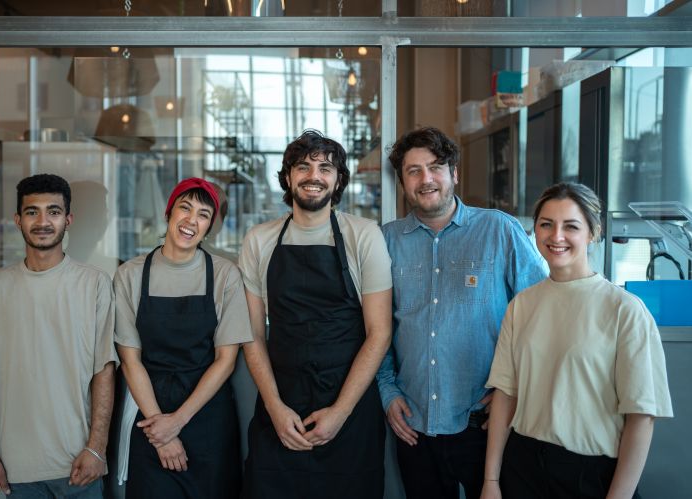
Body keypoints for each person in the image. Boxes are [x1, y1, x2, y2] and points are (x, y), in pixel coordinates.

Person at [377, 127, 546, 499]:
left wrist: (512, 384)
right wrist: (387, 391)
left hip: (484, 421)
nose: (426, 179)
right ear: (403, 181)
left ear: (454, 174)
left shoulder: (499, 230)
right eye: (414, 171)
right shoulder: (385, 240)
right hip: (412, 422)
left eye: (435, 167)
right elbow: (376, 327)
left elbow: (542, 314)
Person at [481, 182, 673, 499]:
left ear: (592, 233)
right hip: (523, 467)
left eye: (571, 226)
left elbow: (641, 418)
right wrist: (491, 481)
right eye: (546, 224)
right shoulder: (522, 305)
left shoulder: (624, 310)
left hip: (591, 475)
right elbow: (505, 394)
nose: (556, 236)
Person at [240, 130, 392, 499]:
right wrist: (275, 409)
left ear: (338, 180)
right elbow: (253, 334)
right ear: (288, 176)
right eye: (303, 166)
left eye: (325, 168)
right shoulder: (259, 240)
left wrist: (340, 412)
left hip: (350, 407)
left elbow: (380, 332)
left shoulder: (364, 236)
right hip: (282, 405)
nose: (314, 176)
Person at [0, 173, 117, 498]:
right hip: (14, 469)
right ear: (18, 220)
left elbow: (104, 371)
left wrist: (97, 449)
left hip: (78, 465)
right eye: (32, 212)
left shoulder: (94, 284)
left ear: (68, 219)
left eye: (53, 211)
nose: (43, 221)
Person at [113, 177, 253, 499]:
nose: (192, 220)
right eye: (185, 208)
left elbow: (225, 360)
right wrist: (161, 430)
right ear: (169, 213)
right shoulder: (130, 275)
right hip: (150, 417)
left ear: (209, 227)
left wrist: (177, 421)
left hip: (207, 417)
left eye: (203, 214)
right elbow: (130, 360)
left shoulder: (224, 275)